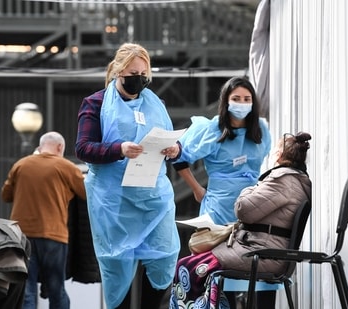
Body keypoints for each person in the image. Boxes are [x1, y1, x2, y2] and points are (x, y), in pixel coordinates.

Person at [75, 42, 181, 309]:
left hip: (151, 197)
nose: (139, 80)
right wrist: (118, 149)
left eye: (144, 75)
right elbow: (83, 148)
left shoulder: (156, 105)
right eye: (133, 74)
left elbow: (176, 147)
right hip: (114, 201)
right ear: (118, 72)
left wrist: (174, 149)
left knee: (164, 254)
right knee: (117, 264)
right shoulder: (96, 103)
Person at [170, 132, 313, 309]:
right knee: (197, 263)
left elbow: (243, 210)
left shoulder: (281, 181)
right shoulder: (294, 180)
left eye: (275, 148)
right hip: (264, 249)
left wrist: (249, 188)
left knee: (187, 266)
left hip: (261, 253)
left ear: (279, 155)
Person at [1, 131, 87, 309]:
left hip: (22, 237)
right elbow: (87, 194)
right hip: (53, 236)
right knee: (57, 290)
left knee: (27, 290)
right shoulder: (67, 167)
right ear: (60, 147)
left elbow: (6, 195)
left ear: (39, 147)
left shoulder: (21, 165)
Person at [173, 76, 271, 225]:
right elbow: (177, 156)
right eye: (236, 99)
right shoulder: (212, 129)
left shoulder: (260, 129)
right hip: (218, 209)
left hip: (252, 207)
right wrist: (197, 189)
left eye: (247, 99)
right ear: (226, 101)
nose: (242, 104)